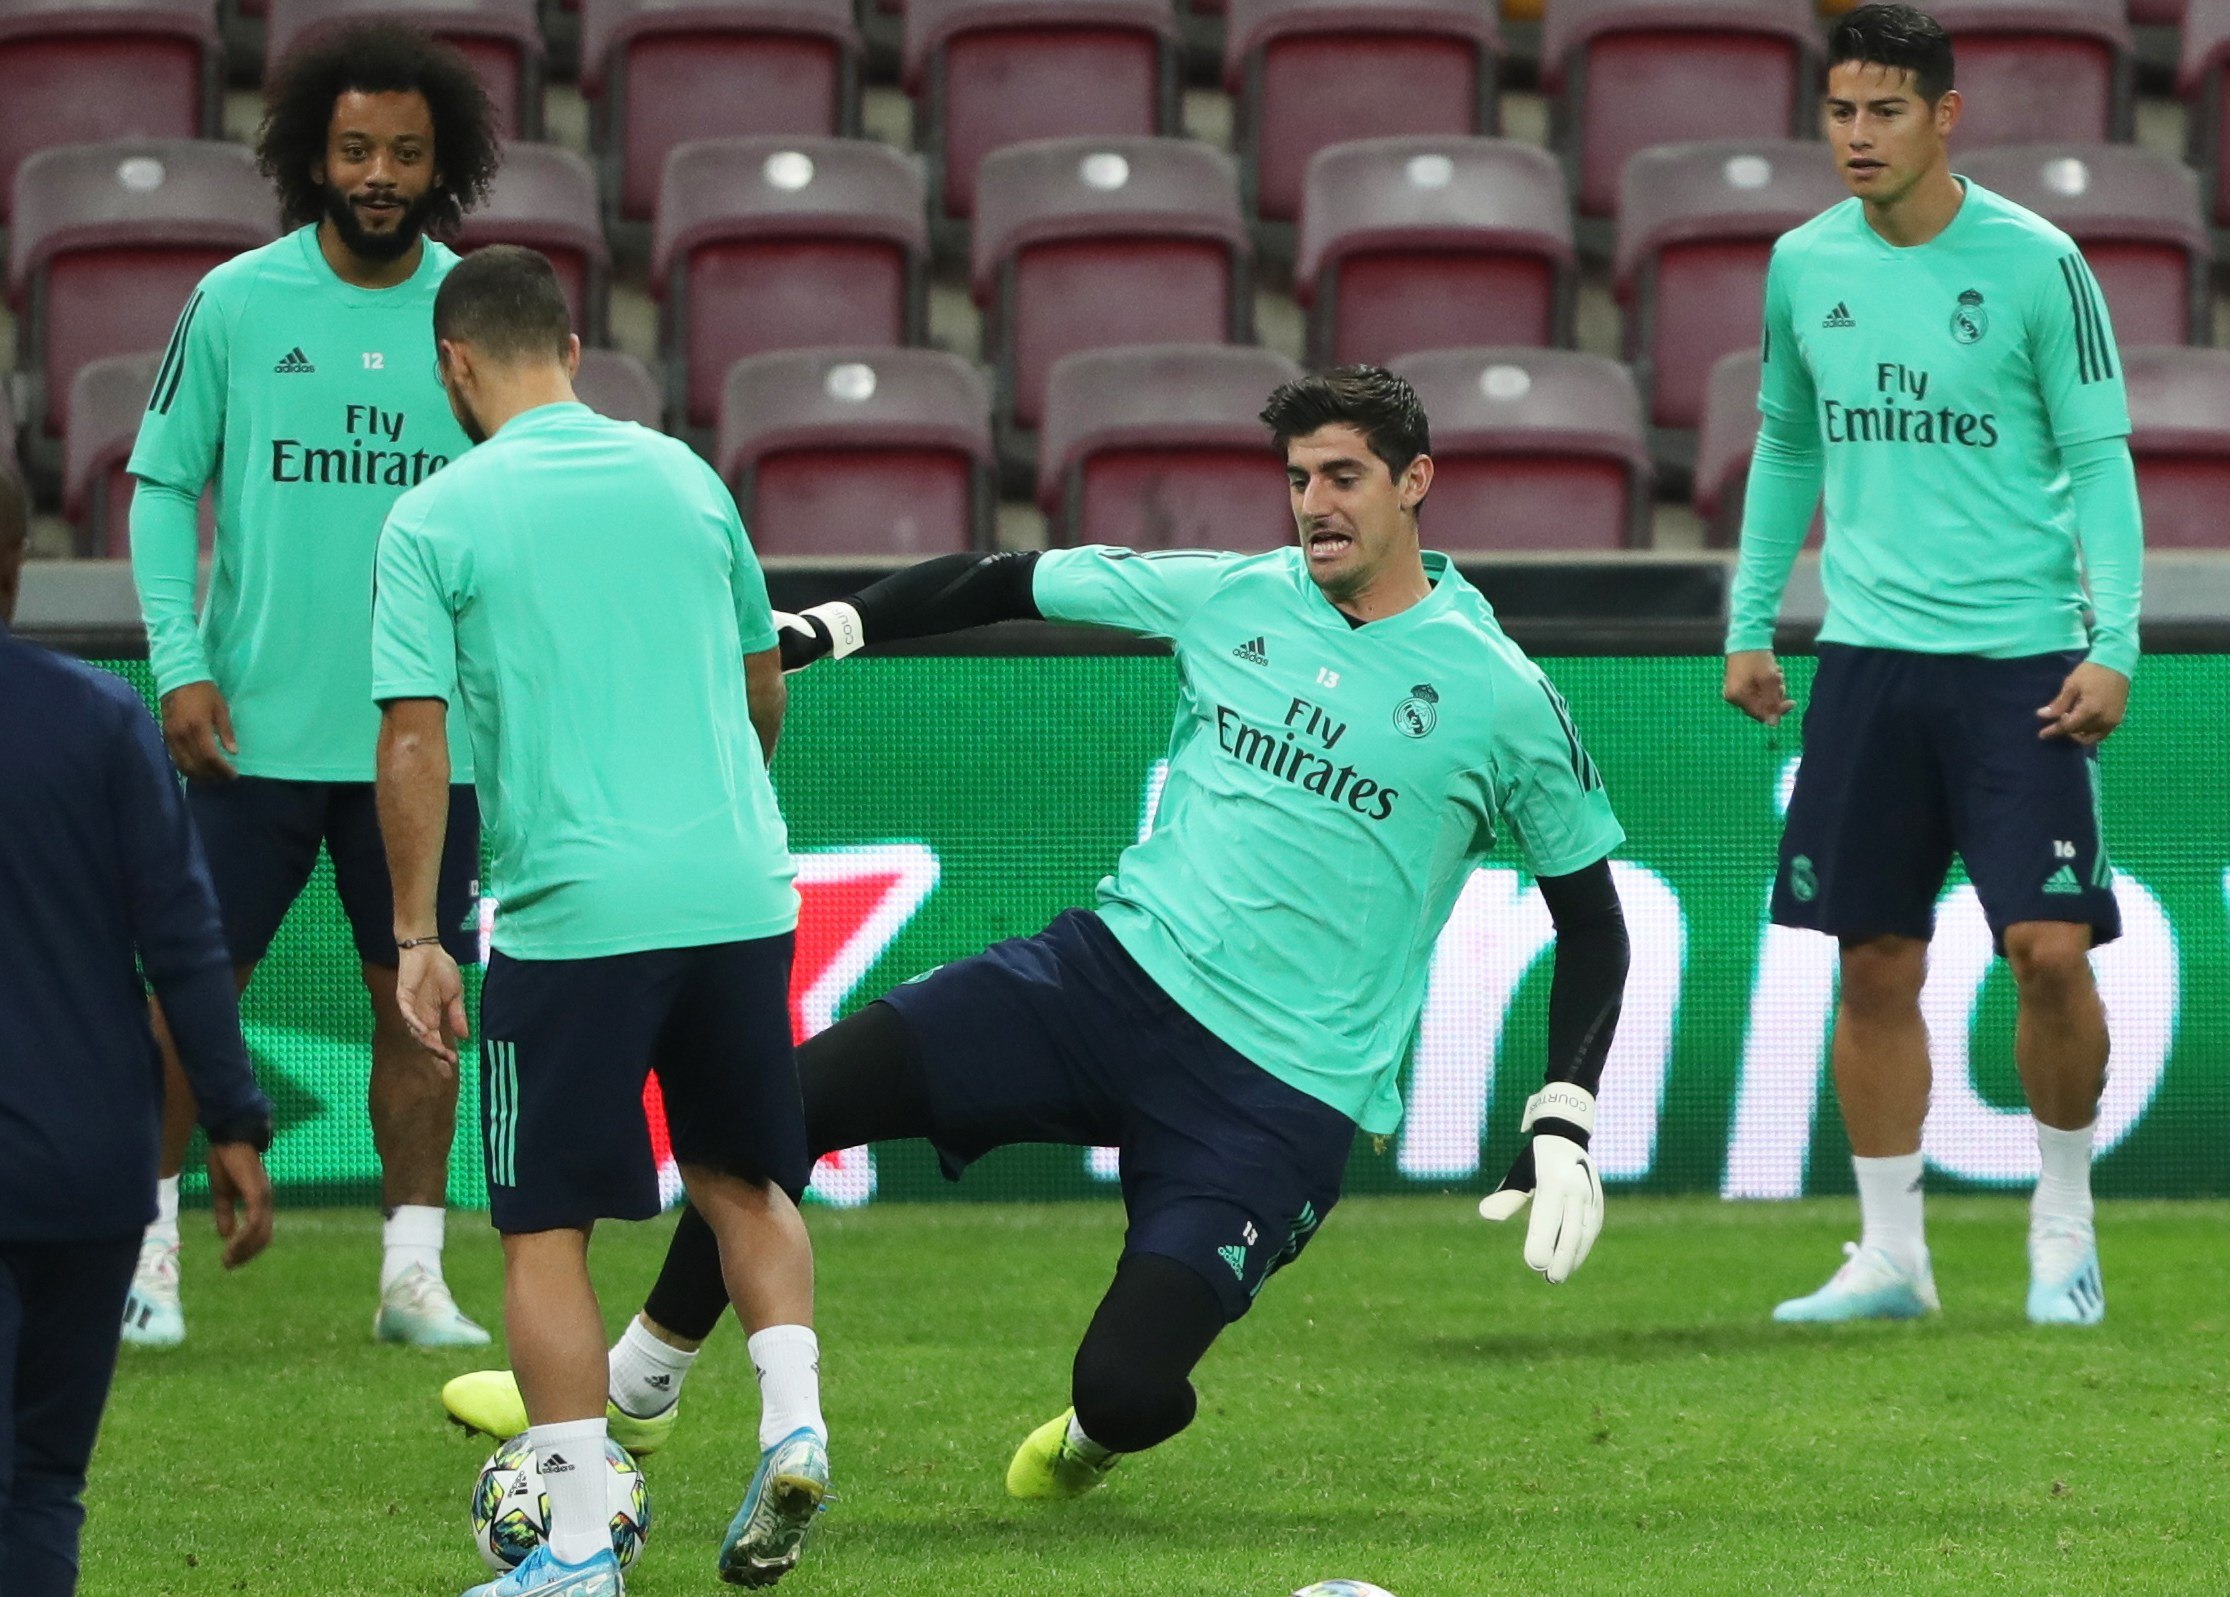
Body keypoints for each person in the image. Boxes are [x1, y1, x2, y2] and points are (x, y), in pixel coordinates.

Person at [444, 364, 1631, 1503]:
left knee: (1126, 1388)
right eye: (1297, 479)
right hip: (1104, 984)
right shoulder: (1233, 593)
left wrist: (1563, 1112)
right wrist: (828, 629)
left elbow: (1591, 924)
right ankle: (639, 1387)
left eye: (1343, 477)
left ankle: (1090, 1442)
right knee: (784, 1102)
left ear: (1415, 482)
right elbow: (1007, 578)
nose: (1314, 506)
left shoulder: (1500, 695)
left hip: (1280, 1092)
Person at [372, 247, 826, 1597]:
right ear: (571, 343)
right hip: (741, 886)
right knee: (743, 1174)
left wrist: (417, 930)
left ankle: (575, 1542)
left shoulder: (436, 516)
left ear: (454, 364)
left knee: (543, 1224)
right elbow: (761, 683)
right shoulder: (689, 476)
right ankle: (792, 1420)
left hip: (577, 910)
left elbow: (410, 735)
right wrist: (729, 821)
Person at [1721, 4, 2141, 1327]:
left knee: (2047, 948)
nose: (1855, 135)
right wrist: (1748, 621)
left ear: (1942, 115)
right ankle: (1890, 1253)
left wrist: (2112, 640)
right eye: (1839, 110)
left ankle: (2061, 1224)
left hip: (2016, 658)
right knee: (1873, 959)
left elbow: (2099, 458)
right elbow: (1787, 444)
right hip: (1864, 662)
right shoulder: (1800, 263)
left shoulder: (2034, 262)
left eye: (1883, 111)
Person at [124, 22, 504, 1350]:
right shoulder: (237, 302)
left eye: (406, 149)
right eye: (356, 148)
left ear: (442, 160)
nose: (381, 171)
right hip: (253, 736)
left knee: (420, 998)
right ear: (311, 157)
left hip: (424, 741)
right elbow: (164, 483)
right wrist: (180, 661)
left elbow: (522, 503)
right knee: (188, 993)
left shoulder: (475, 310)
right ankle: (147, 1254)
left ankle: (413, 1276)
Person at [0, 470, 276, 1597]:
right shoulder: (105, 722)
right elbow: (183, 942)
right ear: (19, 556)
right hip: (86, 1168)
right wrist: (233, 1123)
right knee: (44, 1480)